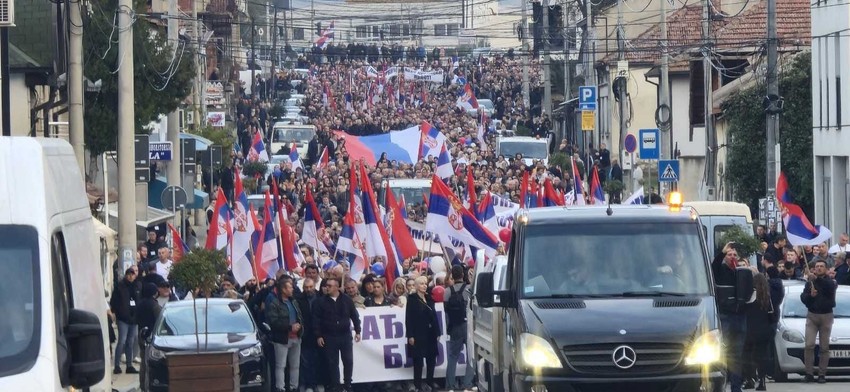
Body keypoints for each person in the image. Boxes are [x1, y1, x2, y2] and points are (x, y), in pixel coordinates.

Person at [313, 278, 361, 392]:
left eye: (329, 285)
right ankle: (336, 385)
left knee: (348, 360)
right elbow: (316, 320)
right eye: (326, 285)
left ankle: (348, 383)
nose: (326, 287)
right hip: (329, 336)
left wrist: (358, 330)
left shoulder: (346, 299)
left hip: (345, 335)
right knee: (332, 362)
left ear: (337, 287)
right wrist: (318, 335)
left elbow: (354, 315)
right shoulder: (320, 302)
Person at [711, 242, 746, 392]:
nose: (732, 257)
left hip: (739, 317)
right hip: (725, 316)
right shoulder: (721, 270)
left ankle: (736, 387)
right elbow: (714, 266)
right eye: (729, 255)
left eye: (734, 255)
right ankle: (720, 385)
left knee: (736, 355)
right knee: (722, 353)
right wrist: (721, 253)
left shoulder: (741, 272)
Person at [800, 260, 837, 383]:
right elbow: (803, 299)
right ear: (814, 269)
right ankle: (809, 373)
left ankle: (822, 374)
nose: (819, 268)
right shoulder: (810, 283)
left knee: (824, 346)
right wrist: (810, 295)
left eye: (822, 266)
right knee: (809, 345)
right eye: (817, 267)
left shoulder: (831, 282)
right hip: (812, 316)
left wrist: (816, 279)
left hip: (826, 316)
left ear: (826, 269)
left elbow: (829, 288)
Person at [266, 278, 303, 392]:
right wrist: (289, 327)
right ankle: (280, 388)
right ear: (283, 289)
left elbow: (299, 315)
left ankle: (293, 387)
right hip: (282, 338)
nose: (292, 289)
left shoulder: (293, 301)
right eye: (290, 287)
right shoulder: (275, 303)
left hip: (296, 337)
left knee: (295, 365)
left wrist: (300, 325)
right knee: (281, 365)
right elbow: (273, 322)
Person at [405, 276, 440, 392]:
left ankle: (430, 381)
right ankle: (418, 384)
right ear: (416, 286)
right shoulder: (412, 299)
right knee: (418, 360)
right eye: (421, 284)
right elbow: (408, 318)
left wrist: (438, 331)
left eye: (425, 283)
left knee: (431, 359)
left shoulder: (429, 298)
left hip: (430, 333)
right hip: (418, 333)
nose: (424, 285)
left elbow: (434, 316)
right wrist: (410, 335)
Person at [742, 274, 776, 391]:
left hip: (750, 330)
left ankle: (749, 379)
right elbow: (772, 316)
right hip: (764, 331)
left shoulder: (750, 295)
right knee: (762, 357)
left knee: (747, 356)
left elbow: (743, 310)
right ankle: (762, 381)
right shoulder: (767, 297)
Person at [444, 266, 474, 391]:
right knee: (470, 356)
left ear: (452, 276)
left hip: (454, 326)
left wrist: (448, 328)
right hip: (468, 325)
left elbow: (446, 312)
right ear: (463, 274)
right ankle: (467, 383)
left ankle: (450, 385)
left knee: (452, 356)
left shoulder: (447, 291)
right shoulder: (468, 289)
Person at [110, 267, 139, 374]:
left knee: (130, 342)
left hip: (134, 318)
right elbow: (114, 301)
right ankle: (117, 365)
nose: (131, 276)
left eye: (133, 274)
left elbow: (139, 299)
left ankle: (129, 365)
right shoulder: (120, 287)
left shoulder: (137, 286)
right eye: (129, 274)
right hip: (123, 318)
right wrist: (115, 312)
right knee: (122, 341)